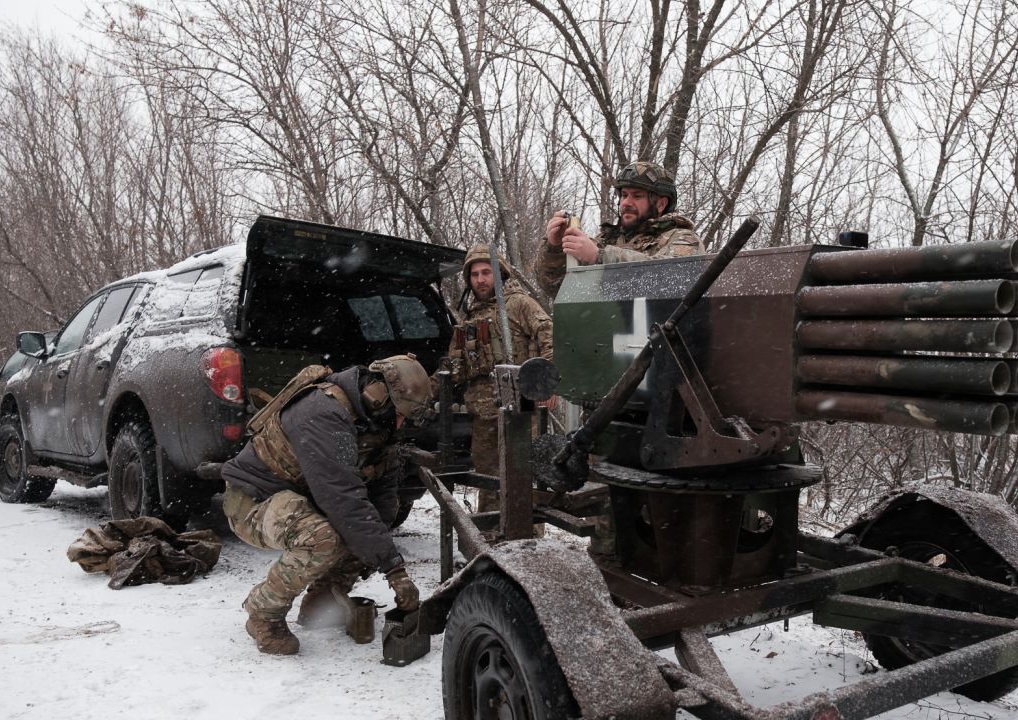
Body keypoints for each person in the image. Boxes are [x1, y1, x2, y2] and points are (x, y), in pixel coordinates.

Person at [222, 354, 434, 655]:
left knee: (370, 532)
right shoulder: (323, 411)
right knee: (322, 538)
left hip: (301, 499)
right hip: (253, 501)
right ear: (378, 395)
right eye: (401, 413)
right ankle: (263, 612)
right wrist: (395, 571)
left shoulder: (377, 421)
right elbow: (343, 499)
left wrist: (381, 549)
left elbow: (381, 498)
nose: (401, 423)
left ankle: (322, 601)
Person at [447, 244, 555, 512]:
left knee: (521, 473)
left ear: (500, 274)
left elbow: (550, 337)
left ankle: (525, 537)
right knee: (487, 476)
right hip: (484, 412)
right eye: (475, 275)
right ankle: (491, 531)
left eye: (487, 272)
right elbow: (455, 362)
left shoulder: (519, 304)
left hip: (519, 409)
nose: (481, 279)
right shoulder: (472, 314)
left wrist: (548, 386)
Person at [536, 161, 705, 299]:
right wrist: (555, 247)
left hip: (661, 337)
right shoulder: (604, 241)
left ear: (661, 204)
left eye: (637, 196)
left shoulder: (684, 239)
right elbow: (555, 287)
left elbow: (669, 280)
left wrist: (599, 257)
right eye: (624, 195)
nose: (626, 203)